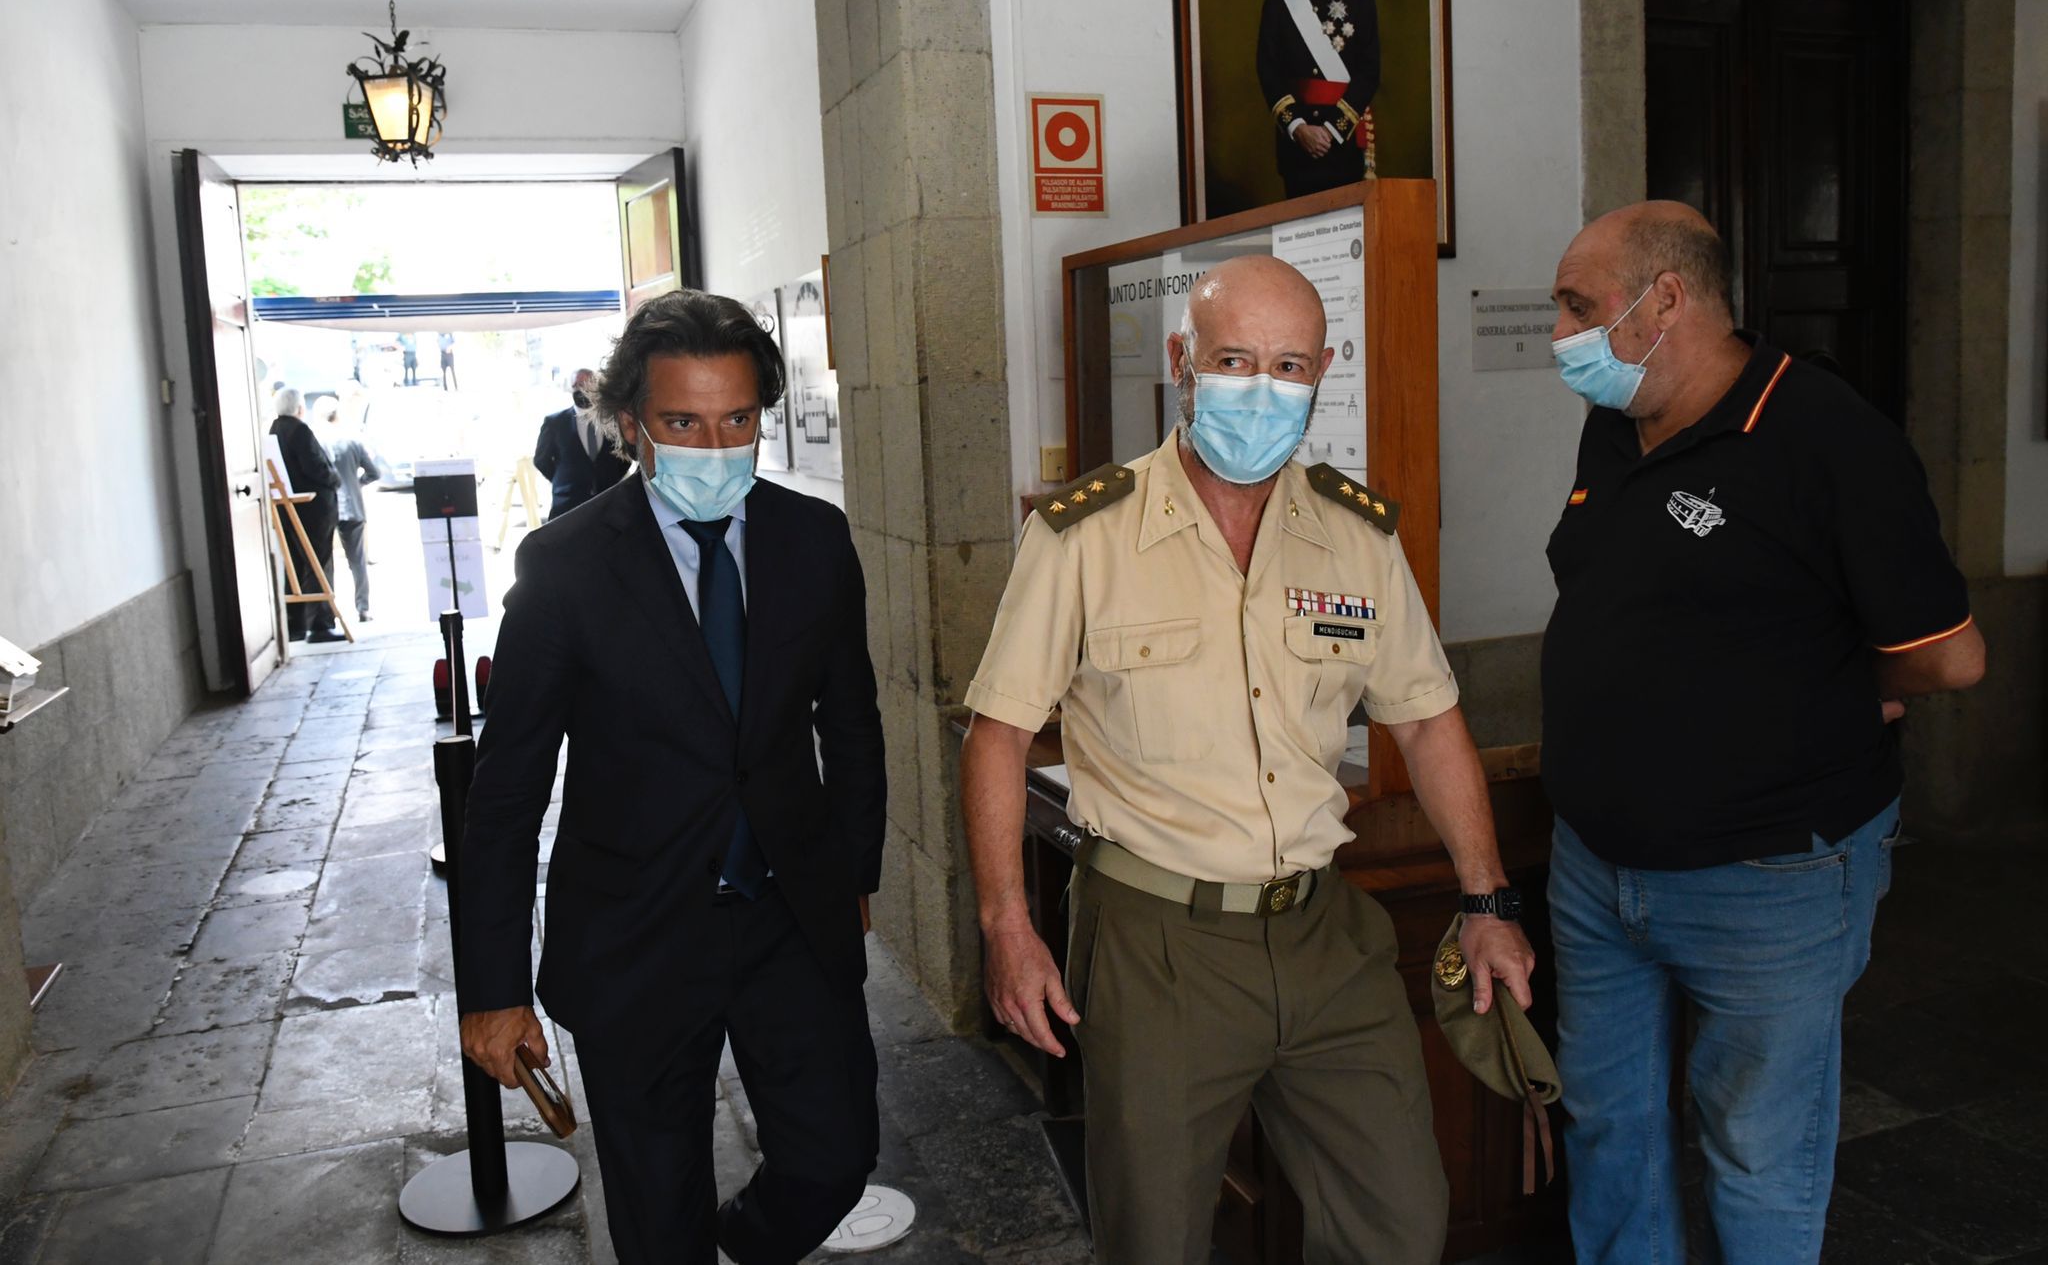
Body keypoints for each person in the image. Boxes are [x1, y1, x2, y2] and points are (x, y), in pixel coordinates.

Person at [960, 256, 1535, 1264]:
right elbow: (997, 734)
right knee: (1156, 1240)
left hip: (1323, 932)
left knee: (1400, 1224)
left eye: (1288, 365)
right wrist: (1007, 927)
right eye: (1233, 360)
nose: (1261, 389)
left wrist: (1485, 899)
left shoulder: (1353, 533)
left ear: (1322, 371)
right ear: (1182, 361)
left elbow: (1427, 718)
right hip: (1157, 944)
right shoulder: (1085, 533)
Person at [1540, 201, 1986, 1265]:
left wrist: (1832, 687)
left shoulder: (1827, 436)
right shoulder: (1617, 418)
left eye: (1577, 307)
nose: (1559, 334)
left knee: (1756, 1150)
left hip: (1766, 877)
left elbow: (1950, 655)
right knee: (1606, 1128)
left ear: (1665, 300)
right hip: (1595, 864)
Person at [457, 289, 888, 1264]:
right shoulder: (564, 568)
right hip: (634, 932)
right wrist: (493, 987)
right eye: (683, 422)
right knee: (658, 1221)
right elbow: (507, 794)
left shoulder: (813, 539)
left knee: (835, 1157)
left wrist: (852, 872)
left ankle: (740, 1243)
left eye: (737, 420)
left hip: (786, 916)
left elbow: (851, 723)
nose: (715, 445)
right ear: (630, 425)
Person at [1257, 0, 1380, 199]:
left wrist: (1333, 129)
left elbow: (1369, 70)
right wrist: (1298, 127)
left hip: (1343, 143)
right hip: (1296, 147)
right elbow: (1267, 67)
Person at [268, 389, 342, 644]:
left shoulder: (273, 431)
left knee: (295, 565)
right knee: (317, 564)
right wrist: (335, 479)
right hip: (313, 511)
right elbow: (315, 467)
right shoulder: (299, 431)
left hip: (289, 509)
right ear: (300, 408)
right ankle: (320, 624)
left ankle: (296, 624)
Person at [312, 396, 379, 624]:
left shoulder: (316, 441)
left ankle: (329, 610)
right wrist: (357, 484)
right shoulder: (352, 440)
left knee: (325, 562)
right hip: (352, 506)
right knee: (357, 561)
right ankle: (363, 608)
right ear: (337, 415)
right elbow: (374, 472)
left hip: (324, 509)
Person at [531, 368, 628, 520]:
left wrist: (609, 478)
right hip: (566, 506)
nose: (582, 390)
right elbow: (541, 460)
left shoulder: (613, 421)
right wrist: (563, 480)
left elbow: (625, 457)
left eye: (587, 384)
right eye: (577, 385)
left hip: (607, 505)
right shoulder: (555, 423)